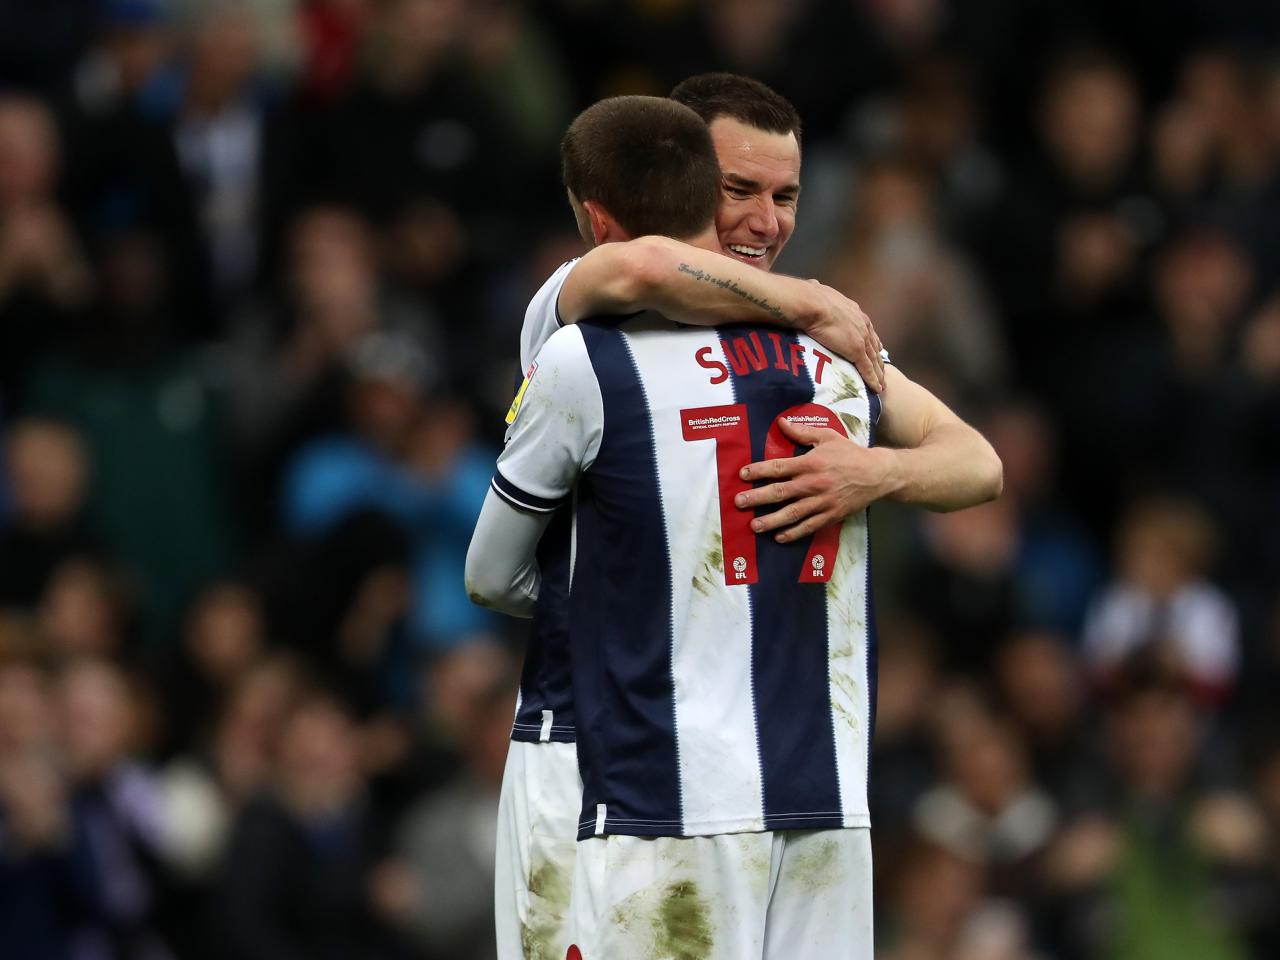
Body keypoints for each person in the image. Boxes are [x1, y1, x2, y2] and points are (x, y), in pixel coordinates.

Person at [469, 94, 1001, 958]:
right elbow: (639, 268)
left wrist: (875, 471)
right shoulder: (583, 323)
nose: (764, 220)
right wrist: (805, 299)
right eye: (737, 187)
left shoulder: (826, 354)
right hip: (594, 754)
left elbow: (979, 462)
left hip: (776, 780)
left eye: (786, 197)